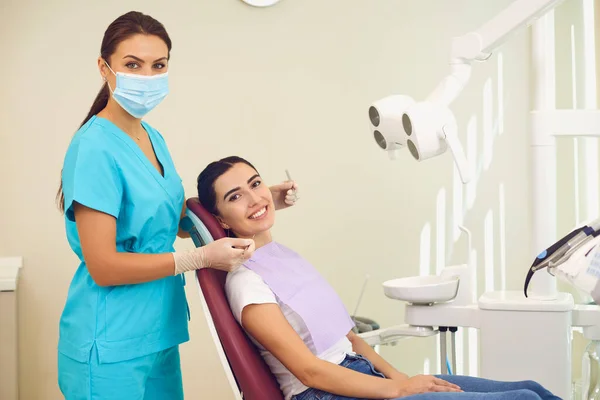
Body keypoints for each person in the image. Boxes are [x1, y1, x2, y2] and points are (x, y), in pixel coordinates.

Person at [55, 11, 298, 400]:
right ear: (105, 67)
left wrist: (259, 199)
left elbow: (171, 220)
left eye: (159, 65)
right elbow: (103, 266)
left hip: (157, 330)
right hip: (110, 341)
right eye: (133, 65)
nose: (147, 76)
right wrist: (198, 258)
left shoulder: (150, 136)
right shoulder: (94, 148)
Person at [195, 156, 561, 400]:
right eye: (235, 196)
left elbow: (349, 339)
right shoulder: (246, 283)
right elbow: (309, 371)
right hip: (326, 393)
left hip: (362, 375)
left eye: (256, 184)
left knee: (531, 390)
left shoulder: (283, 256)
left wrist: (401, 378)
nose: (255, 198)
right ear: (222, 220)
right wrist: (398, 391)